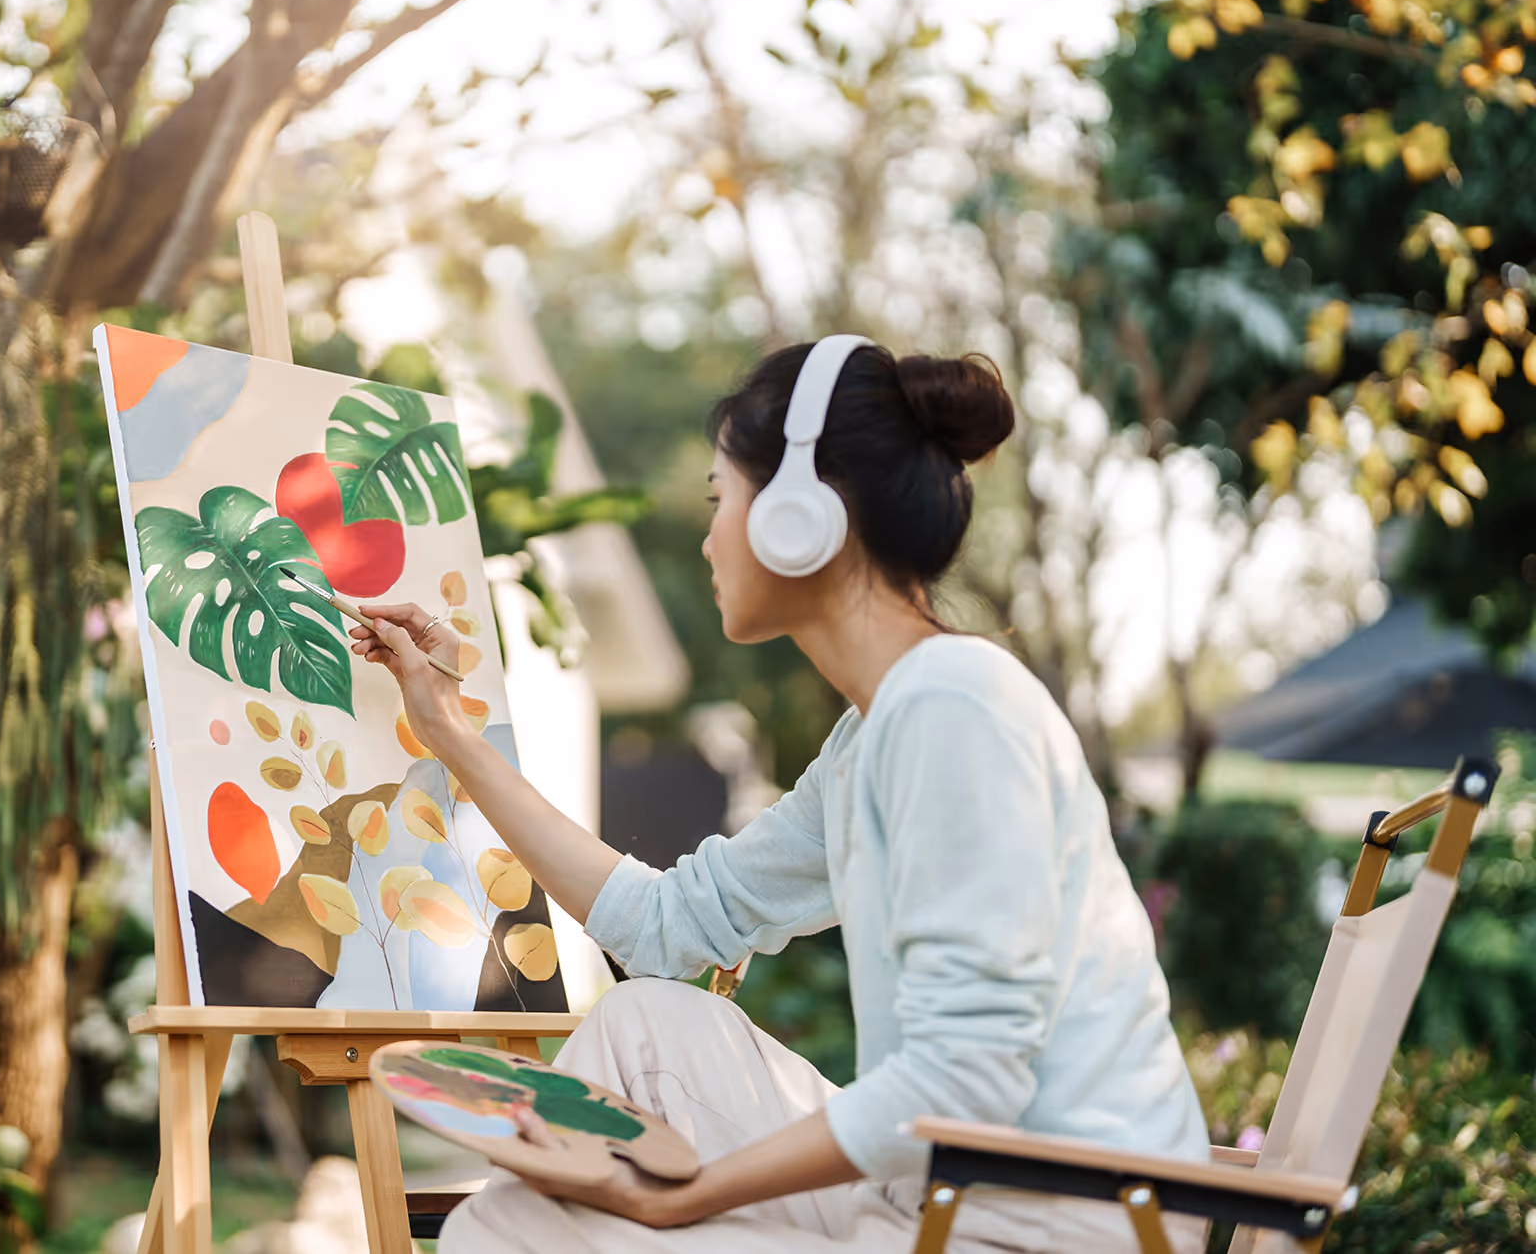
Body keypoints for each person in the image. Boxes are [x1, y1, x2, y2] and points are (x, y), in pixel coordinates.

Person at [348, 336, 1209, 1253]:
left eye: (724, 499)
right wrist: (453, 736)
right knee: (645, 1022)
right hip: (937, 1201)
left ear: (803, 512)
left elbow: (966, 1079)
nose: (710, 533)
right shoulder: (877, 730)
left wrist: (694, 1195)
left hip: (1044, 1230)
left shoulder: (954, 709)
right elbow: (668, 922)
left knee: (505, 1227)